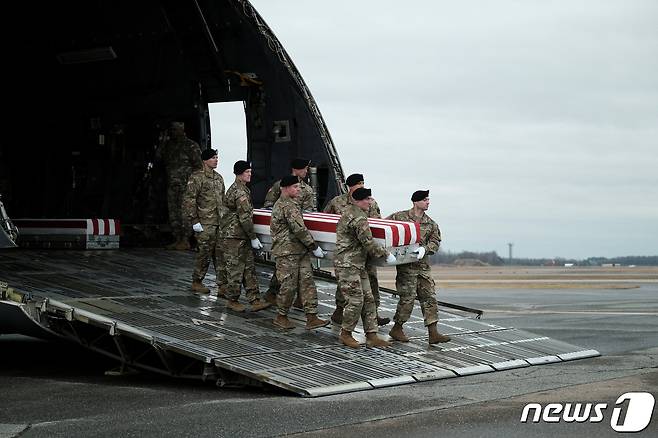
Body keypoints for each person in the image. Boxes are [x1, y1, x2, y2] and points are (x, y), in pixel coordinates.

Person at [323, 173, 389, 327]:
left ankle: (373, 314)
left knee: (371, 281)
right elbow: (325, 219)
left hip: (368, 249)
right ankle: (340, 310)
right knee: (346, 283)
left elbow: (377, 224)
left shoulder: (370, 202)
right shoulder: (337, 202)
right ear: (349, 186)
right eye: (358, 184)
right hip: (348, 252)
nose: (361, 186)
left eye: (363, 183)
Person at [386, 190, 451, 344]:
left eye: (428, 199)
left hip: (423, 267)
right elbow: (384, 229)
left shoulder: (431, 223)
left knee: (429, 298)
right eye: (424, 200)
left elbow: (435, 242)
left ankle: (433, 333)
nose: (428, 202)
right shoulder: (399, 217)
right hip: (406, 267)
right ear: (415, 202)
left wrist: (425, 249)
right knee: (407, 299)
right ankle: (397, 328)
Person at [334, 187, 395, 348]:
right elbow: (367, 242)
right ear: (359, 200)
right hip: (348, 265)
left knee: (369, 299)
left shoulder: (354, 213)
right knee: (355, 300)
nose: (370, 202)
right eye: (367, 199)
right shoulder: (358, 217)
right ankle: (345, 333)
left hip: (357, 264)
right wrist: (386, 254)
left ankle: (371, 335)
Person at [270, 175, 329, 330]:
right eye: (295, 187)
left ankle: (311, 316)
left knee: (307, 282)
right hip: (287, 251)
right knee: (288, 286)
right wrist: (314, 246)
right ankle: (281, 316)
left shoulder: (293, 204)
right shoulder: (286, 205)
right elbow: (299, 229)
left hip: (299, 250)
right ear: (285, 188)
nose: (298, 190)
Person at [263, 157, 316, 305]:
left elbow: (309, 213)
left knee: (302, 271)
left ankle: (301, 300)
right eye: (304, 168)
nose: (306, 171)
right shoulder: (280, 186)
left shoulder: (308, 190)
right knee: (285, 271)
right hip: (285, 236)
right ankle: (274, 295)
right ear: (296, 169)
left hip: (300, 235)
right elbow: (268, 205)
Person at [223, 160, 271, 312]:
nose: (250, 174)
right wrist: (253, 237)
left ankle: (255, 299)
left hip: (239, 235)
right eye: (247, 172)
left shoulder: (240, 189)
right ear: (240, 173)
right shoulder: (240, 192)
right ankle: (232, 300)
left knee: (249, 268)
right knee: (236, 269)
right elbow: (244, 217)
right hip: (235, 236)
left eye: (250, 172)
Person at [183, 149, 226, 294]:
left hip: (218, 222)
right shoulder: (197, 177)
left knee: (220, 255)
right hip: (204, 222)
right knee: (204, 253)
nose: (216, 160)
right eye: (213, 158)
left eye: (217, 157)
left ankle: (222, 285)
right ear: (205, 160)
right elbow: (189, 200)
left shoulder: (219, 178)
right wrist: (194, 220)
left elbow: (222, 199)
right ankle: (197, 281)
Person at [161, 121, 203, 250]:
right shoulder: (169, 146)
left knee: (185, 213)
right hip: (172, 185)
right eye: (172, 130)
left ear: (182, 130)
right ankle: (178, 238)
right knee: (173, 213)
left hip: (186, 186)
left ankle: (185, 240)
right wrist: (163, 140)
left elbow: (198, 165)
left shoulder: (190, 146)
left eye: (175, 130)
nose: (173, 132)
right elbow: (159, 157)